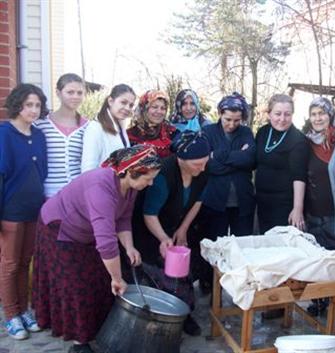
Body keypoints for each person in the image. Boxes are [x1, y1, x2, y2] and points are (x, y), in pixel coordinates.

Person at [33, 145, 161, 353]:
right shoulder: (100, 188)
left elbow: (123, 218)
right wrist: (118, 279)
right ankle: (78, 342)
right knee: (76, 284)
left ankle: (98, 327)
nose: (151, 182)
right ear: (131, 172)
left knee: (99, 279)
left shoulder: (130, 187)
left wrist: (129, 247)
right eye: (148, 178)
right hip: (60, 229)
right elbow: (106, 242)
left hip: (88, 230)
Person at [135, 131, 210, 336]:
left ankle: (184, 314)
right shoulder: (163, 175)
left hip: (177, 225)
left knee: (184, 272)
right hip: (151, 229)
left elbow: (198, 201)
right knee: (160, 274)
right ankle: (162, 318)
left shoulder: (203, 169)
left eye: (205, 162)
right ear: (181, 159)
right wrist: (164, 238)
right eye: (197, 164)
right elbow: (149, 214)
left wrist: (183, 228)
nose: (202, 168)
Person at [0, 84, 48, 340]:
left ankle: (24, 310)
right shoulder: (4, 133)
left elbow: (42, 171)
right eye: (28, 104)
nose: (33, 110)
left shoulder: (39, 135)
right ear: (18, 105)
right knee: (8, 265)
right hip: (10, 210)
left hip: (34, 209)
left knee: (25, 262)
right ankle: (11, 315)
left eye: (37, 105)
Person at [197, 92, 256, 293]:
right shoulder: (208, 132)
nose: (231, 124)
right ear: (220, 114)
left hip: (242, 202)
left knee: (242, 247)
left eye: (236, 120)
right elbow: (208, 166)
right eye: (227, 119)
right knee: (214, 247)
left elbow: (250, 160)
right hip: (215, 200)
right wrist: (236, 157)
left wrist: (219, 156)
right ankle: (209, 285)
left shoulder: (246, 133)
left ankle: (241, 286)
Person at [302, 97, 335, 253]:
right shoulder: (307, 141)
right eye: (313, 114)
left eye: (322, 113)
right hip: (312, 217)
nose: (317, 118)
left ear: (331, 114)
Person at [255, 94, 309, 234]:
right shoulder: (262, 132)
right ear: (269, 114)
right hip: (261, 201)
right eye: (278, 114)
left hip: (283, 205)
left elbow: (300, 176)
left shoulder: (298, 139)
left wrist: (297, 208)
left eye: (287, 114)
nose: (282, 119)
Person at [35, 73, 88, 198]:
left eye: (79, 93)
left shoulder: (88, 127)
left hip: (77, 196)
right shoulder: (41, 124)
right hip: (48, 195)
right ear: (58, 93)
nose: (75, 96)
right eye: (70, 92)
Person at [81, 84, 136, 172]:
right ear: (110, 101)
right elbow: (87, 170)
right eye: (123, 102)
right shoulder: (95, 128)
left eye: (131, 105)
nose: (127, 108)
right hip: (102, 184)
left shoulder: (121, 128)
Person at [127, 89, 176, 157]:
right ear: (144, 109)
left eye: (163, 108)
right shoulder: (130, 135)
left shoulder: (171, 131)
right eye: (154, 107)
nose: (159, 111)